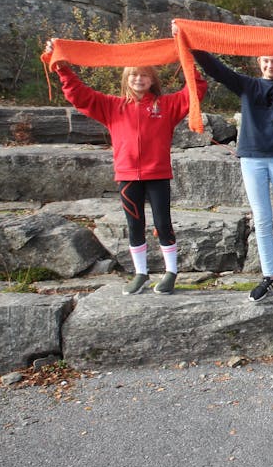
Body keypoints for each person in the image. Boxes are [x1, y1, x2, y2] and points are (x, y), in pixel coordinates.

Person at [47, 40, 207, 296]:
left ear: (152, 80)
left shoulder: (166, 105)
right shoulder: (112, 106)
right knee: (134, 225)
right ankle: (140, 273)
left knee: (163, 224)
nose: (139, 79)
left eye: (144, 75)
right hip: (127, 176)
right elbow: (79, 94)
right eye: (134, 74)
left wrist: (187, 61)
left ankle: (170, 272)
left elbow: (195, 90)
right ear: (126, 79)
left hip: (157, 175)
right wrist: (63, 68)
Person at [190, 42, 273, 302]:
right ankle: (268, 277)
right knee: (262, 219)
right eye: (267, 61)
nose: (271, 65)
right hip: (252, 159)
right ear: (260, 62)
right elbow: (217, 70)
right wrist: (193, 46)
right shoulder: (247, 85)